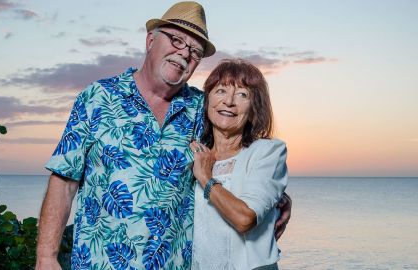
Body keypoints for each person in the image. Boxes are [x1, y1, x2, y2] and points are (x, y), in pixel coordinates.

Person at [35, 2, 291, 269]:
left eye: (195, 51)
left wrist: (276, 199)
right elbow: (64, 180)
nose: (184, 53)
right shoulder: (97, 97)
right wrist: (46, 257)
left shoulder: (200, 109)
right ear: (150, 41)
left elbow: (239, 150)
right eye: (176, 40)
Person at [190, 59, 288, 270]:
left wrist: (206, 179)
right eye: (221, 91)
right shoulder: (196, 152)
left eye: (242, 94)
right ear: (207, 101)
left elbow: (245, 219)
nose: (229, 101)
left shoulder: (267, 152)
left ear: (254, 108)